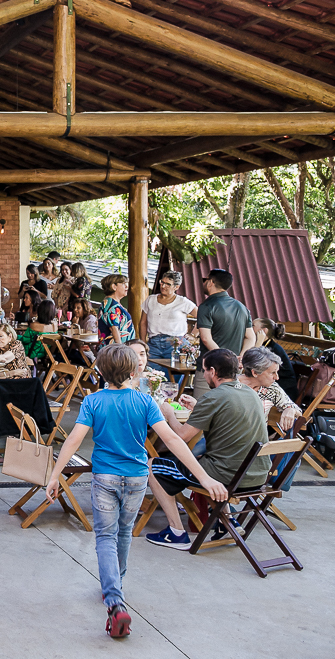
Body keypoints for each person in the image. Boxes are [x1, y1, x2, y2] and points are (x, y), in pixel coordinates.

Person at [47, 344, 226, 639]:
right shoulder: (145, 402)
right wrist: (204, 478)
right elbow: (173, 440)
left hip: (104, 476)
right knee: (124, 532)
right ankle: (117, 585)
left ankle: (114, 599)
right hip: (136, 478)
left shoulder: (92, 401)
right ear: (134, 371)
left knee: (105, 535)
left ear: (101, 372)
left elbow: (73, 442)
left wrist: (55, 476)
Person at [146, 348, 268, 549]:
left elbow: (181, 437)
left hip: (228, 475)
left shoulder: (214, 397)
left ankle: (176, 532)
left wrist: (168, 414)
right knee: (206, 458)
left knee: (153, 465)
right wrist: (199, 409)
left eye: (203, 371)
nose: (203, 375)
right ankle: (227, 521)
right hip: (257, 474)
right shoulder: (248, 392)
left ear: (213, 371)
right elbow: (227, 418)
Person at [192, 268, 255, 399]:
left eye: (205, 280)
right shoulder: (242, 308)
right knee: (226, 406)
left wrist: (225, 358)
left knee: (201, 407)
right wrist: (238, 357)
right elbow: (250, 337)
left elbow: (205, 338)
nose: (203, 283)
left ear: (210, 282)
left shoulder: (206, 306)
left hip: (210, 367)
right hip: (233, 369)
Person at [140, 271, 197, 368]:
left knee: (174, 376)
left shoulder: (183, 301)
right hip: (154, 342)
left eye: (168, 284)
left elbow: (203, 318)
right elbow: (143, 322)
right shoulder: (150, 299)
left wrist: (193, 334)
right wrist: (142, 343)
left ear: (176, 287)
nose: (163, 286)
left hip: (175, 343)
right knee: (152, 375)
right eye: (162, 282)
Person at [252, 318, 298, 400]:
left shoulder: (273, 350)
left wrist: (258, 343)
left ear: (264, 331)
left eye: (253, 326)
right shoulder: (267, 345)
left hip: (284, 392)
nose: (250, 328)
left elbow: (252, 363)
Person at [98, 273, 135, 345]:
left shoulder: (111, 303)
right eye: (124, 284)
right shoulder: (112, 305)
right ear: (114, 286)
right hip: (115, 350)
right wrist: (120, 347)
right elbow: (114, 328)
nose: (127, 286)